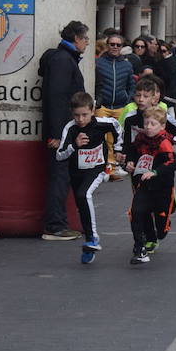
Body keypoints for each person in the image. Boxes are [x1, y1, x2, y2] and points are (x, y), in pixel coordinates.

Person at [55, 91, 121, 264]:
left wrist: (120, 149)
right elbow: (59, 155)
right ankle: (89, 245)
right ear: (72, 113)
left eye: (84, 115)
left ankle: (93, 238)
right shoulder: (70, 128)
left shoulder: (102, 123)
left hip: (98, 169)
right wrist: (73, 146)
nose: (81, 119)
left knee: (84, 195)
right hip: (77, 173)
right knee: (81, 204)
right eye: (77, 115)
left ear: (92, 111)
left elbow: (116, 126)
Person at [38, 21, 89, 241]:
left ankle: (59, 223)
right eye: (85, 38)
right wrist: (58, 135)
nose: (87, 42)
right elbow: (56, 99)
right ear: (76, 39)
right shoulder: (63, 61)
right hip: (62, 133)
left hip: (65, 131)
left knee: (64, 176)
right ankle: (55, 226)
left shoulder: (63, 59)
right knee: (60, 177)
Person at [126, 109, 176, 265]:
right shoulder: (140, 139)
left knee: (161, 230)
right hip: (144, 185)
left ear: (162, 126)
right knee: (137, 211)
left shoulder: (164, 142)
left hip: (162, 187)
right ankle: (139, 248)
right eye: (146, 123)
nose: (148, 127)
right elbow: (133, 153)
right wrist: (130, 162)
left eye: (153, 124)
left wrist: (155, 172)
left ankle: (165, 220)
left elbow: (172, 162)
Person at [95, 30, 136, 176]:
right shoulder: (98, 63)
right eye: (112, 44)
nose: (115, 47)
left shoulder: (127, 65)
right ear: (107, 45)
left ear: (121, 47)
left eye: (118, 45)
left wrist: (128, 99)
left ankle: (114, 165)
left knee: (118, 137)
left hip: (120, 106)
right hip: (103, 105)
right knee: (104, 137)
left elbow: (131, 85)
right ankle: (108, 166)